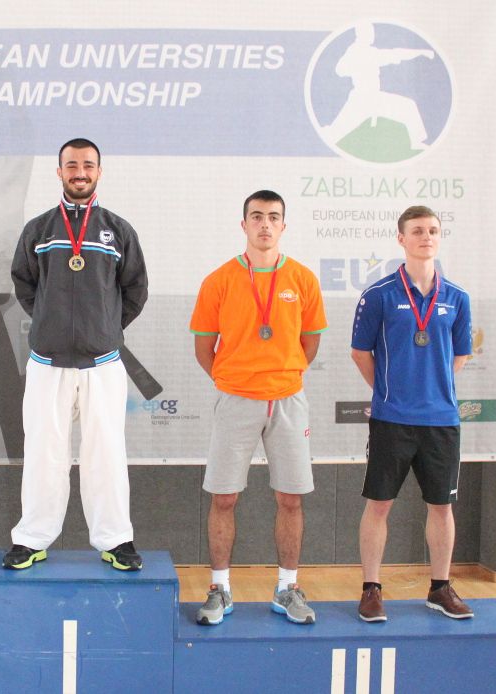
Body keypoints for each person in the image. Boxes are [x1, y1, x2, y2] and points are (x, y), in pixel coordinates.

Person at [5, 138, 148, 571]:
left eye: (87, 165)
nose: (80, 172)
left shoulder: (118, 230)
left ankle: (116, 538)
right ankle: (32, 538)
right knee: (43, 453)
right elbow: (25, 285)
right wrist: (50, 322)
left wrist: (103, 328)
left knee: (106, 453)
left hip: (101, 364)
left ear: (99, 172)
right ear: (59, 172)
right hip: (47, 363)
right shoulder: (39, 230)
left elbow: (135, 290)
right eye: (71, 165)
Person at [189, 190, 327, 625]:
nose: (265, 224)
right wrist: (234, 381)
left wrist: (281, 376)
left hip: (288, 400)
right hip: (236, 399)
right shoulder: (219, 280)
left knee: (290, 498)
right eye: (256, 216)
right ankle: (220, 589)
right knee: (224, 497)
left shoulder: (302, 279)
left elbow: (310, 343)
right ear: (243, 224)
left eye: (273, 217)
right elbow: (204, 348)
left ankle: (287, 588)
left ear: (283, 225)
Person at [350, 205, 473, 621]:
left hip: (441, 421)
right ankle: (371, 589)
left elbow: (460, 356)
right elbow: (360, 353)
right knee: (379, 504)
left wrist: (432, 389)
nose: (426, 237)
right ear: (401, 238)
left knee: (442, 506)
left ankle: (440, 587)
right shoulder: (379, 294)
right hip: (392, 419)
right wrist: (390, 391)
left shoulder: (457, 297)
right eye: (417, 231)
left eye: (433, 230)